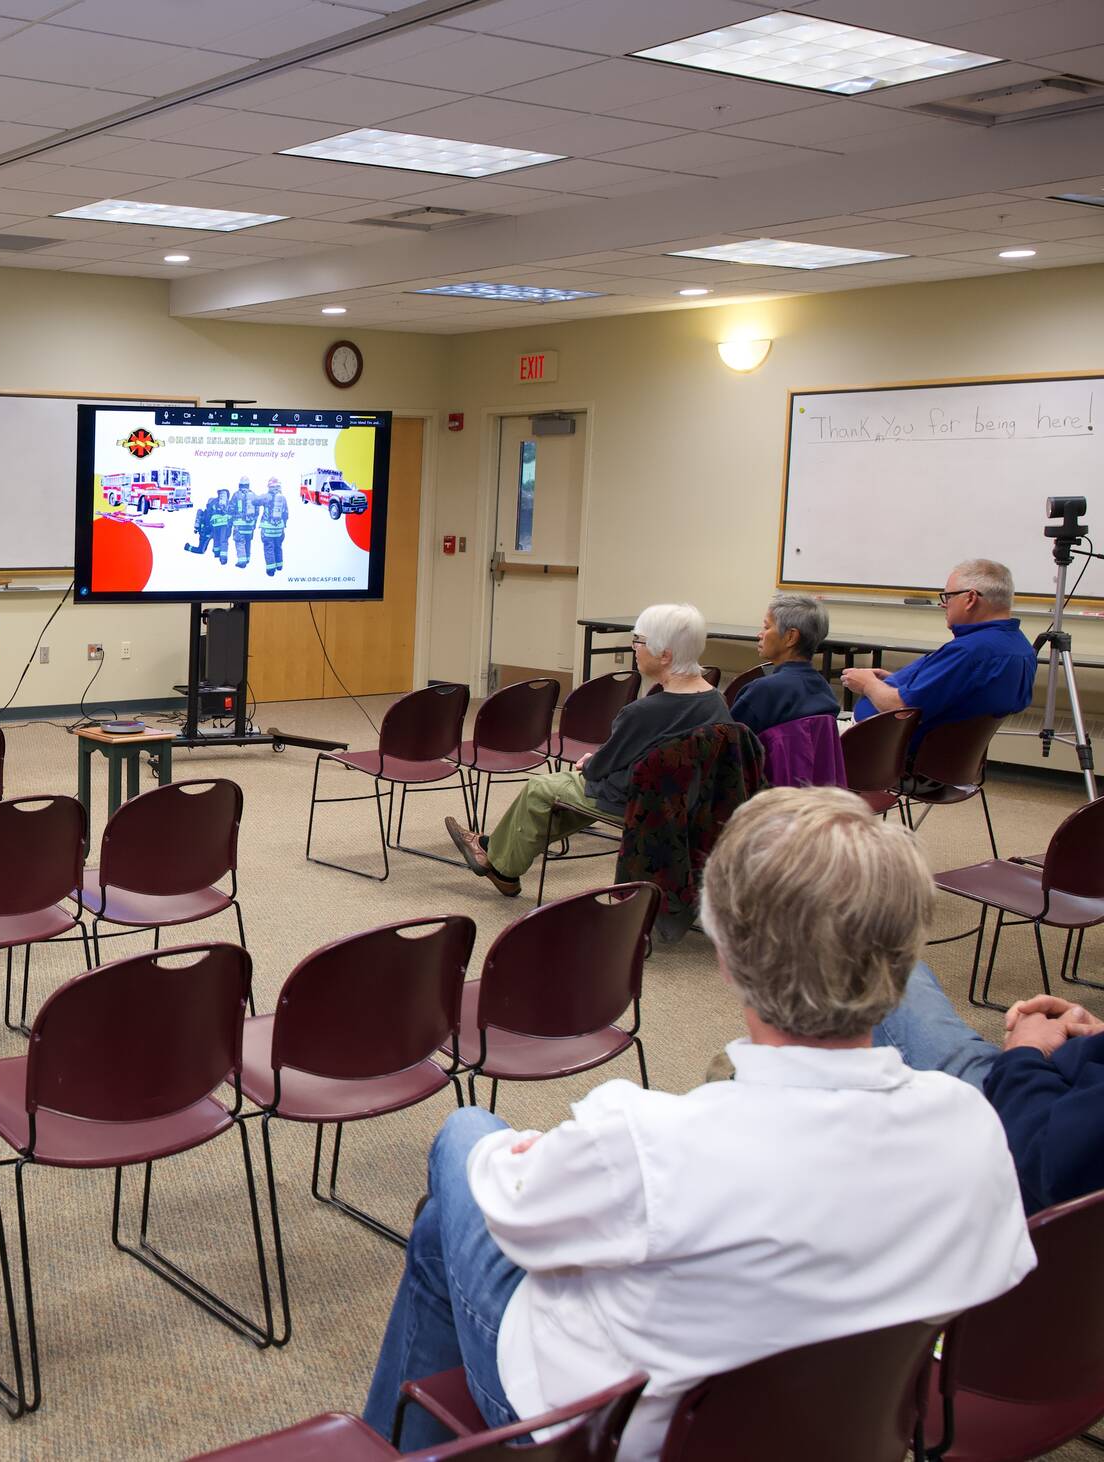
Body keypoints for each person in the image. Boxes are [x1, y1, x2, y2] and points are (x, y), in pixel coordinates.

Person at [368, 787, 1035, 1459]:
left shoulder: (649, 1140)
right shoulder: (969, 1124)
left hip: (616, 1435)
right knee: (440, 1233)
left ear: (726, 954)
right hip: (854, 1427)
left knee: (465, 1139)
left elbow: (517, 1214)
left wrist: (535, 1157)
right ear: (902, 955)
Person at [447, 604, 730, 897]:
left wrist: (592, 762)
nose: (634, 648)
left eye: (639, 641)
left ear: (665, 654)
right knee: (570, 792)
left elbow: (602, 767)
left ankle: (499, 863)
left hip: (642, 803)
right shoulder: (716, 702)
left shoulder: (643, 712)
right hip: (691, 803)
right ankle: (492, 851)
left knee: (541, 788)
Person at [874, 967, 1104, 1215]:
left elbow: (1053, 1160)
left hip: (1024, 1149)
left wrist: (1024, 1050)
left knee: (887, 969)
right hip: (1061, 1091)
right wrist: (1095, 1037)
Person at [840, 558, 1034, 747]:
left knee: (813, 730)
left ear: (970, 599)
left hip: (883, 748)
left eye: (948, 597)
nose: (943, 604)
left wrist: (867, 684)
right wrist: (907, 682)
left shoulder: (970, 651)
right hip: (948, 755)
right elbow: (957, 696)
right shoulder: (1021, 648)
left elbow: (901, 711)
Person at [729, 592, 840, 734]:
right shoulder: (825, 690)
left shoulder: (763, 691)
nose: (760, 634)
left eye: (767, 627)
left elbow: (731, 745)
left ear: (791, 637)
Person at [257, 475, 289, 576]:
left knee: (269, 548)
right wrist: (283, 525)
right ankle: (279, 566)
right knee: (278, 547)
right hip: (279, 529)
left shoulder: (265, 497)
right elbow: (286, 514)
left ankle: (271, 570)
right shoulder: (283, 498)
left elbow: (254, 502)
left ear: (269, 487)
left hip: (267, 529)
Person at [186, 486, 230, 558]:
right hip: (209, 530)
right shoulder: (222, 506)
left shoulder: (213, 506)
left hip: (208, 531)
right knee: (205, 548)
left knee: (202, 549)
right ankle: (188, 547)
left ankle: (216, 552)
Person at [230, 475, 258, 569]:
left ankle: (242, 561)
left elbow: (231, 509)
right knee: (248, 541)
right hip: (250, 525)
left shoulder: (236, 495)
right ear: (248, 485)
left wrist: (232, 519)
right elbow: (257, 511)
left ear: (239, 485)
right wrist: (254, 523)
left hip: (239, 524)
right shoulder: (253, 495)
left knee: (240, 542)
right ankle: (247, 558)